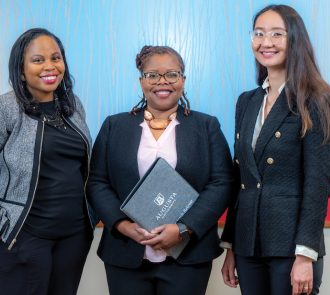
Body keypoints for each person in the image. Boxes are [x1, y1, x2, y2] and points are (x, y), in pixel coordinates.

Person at [0, 28, 97, 295]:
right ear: (21, 70)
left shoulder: (73, 105)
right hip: (20, 237)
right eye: (38, 60)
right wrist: (1, 227)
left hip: (73, 238)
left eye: (56, 58)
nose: (50, 66)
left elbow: (81, 167)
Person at [87, 45, 234, 295]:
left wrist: (183, 228)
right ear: (141, 81)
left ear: (183, 80)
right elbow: (97, 183)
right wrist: (123, 225)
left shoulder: (206, 126)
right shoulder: (114, 126)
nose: (162, 82)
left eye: (172, 74)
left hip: (188, 255)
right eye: (152, 75)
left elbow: (222, 184)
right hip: (125, 253)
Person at [220, 4, 330, 295]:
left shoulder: (316, 99)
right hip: (249, 243)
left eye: (277, 34)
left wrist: (305, 255)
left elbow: (319, 184)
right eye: (259, 33)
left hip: (291, 245)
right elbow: (243, 181)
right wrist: (231, 246)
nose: (266, 42)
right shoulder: (246, 101)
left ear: (295, 40)